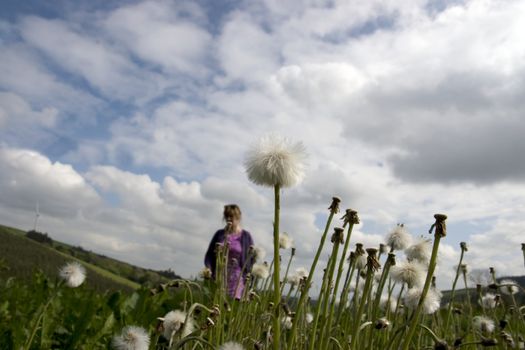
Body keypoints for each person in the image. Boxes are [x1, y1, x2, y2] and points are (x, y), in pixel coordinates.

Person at [204, 204, 254, 299]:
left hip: (238, 278)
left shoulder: (246, 236)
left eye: (232, 216)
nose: (229, 219)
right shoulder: (219, 234)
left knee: (234, 305)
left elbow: (251, 258)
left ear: (238, 217)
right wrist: (209, 269)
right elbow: (209, 255)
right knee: (217, 303)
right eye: (227, 216)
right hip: (219, 276)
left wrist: (248, 276)